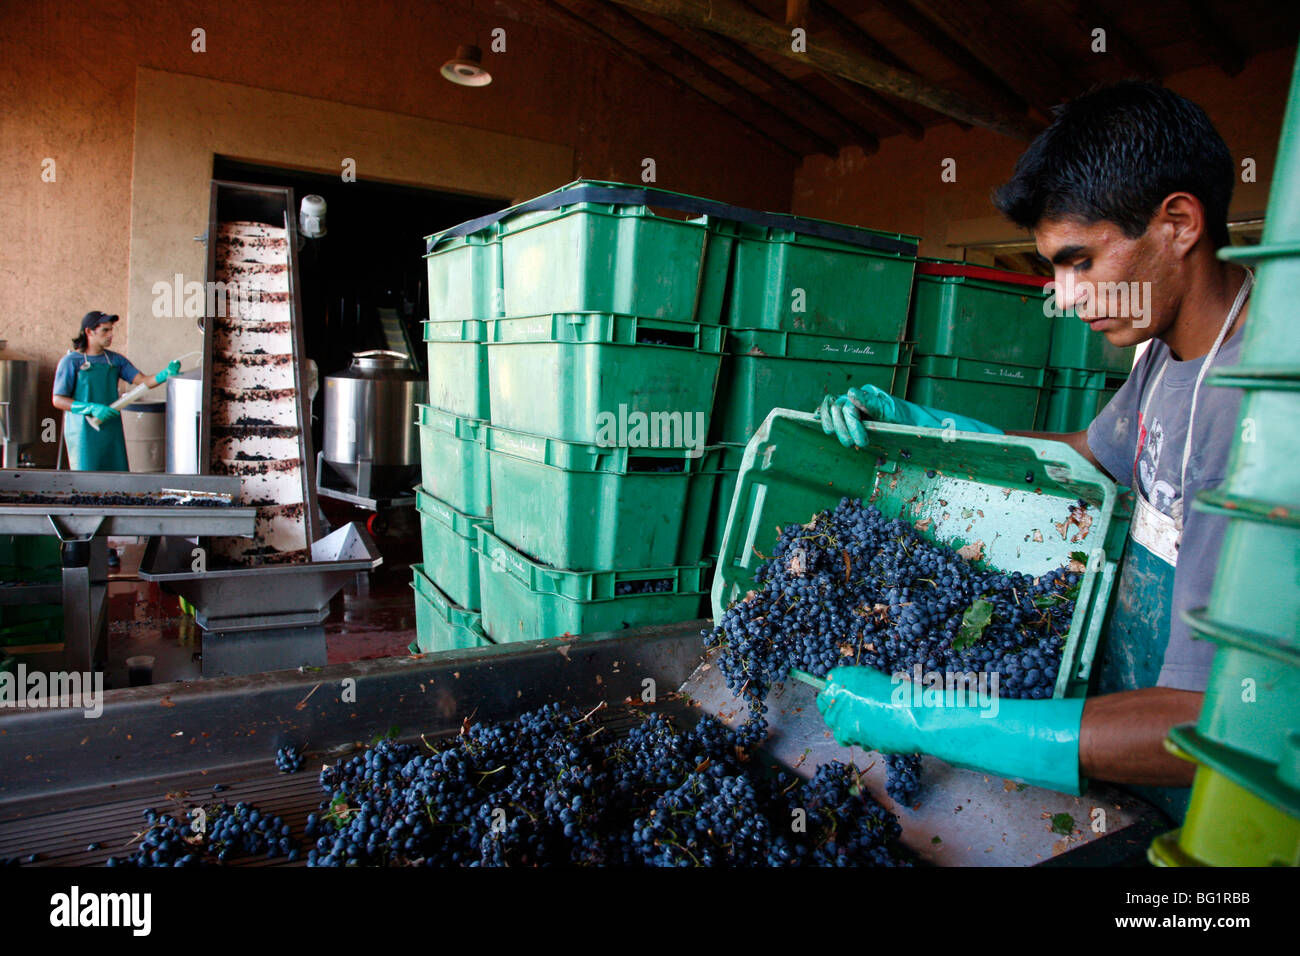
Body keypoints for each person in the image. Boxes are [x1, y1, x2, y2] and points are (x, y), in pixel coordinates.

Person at [815, 81, 1249, 820]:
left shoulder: (1255, 410)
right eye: (1053, 267)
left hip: (1223, 809)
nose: (1066, 296)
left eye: (1081, 261)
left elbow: (1203, 728)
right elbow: (1087, 456)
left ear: (1178, 222)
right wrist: (925, 429)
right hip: (1130, 760)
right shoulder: (1167, 356)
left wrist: (932, 718)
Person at [52, 311, 180, 564]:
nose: (111, 336)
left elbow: (141, 381)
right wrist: (89, 407)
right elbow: (58, 399)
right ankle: (82, 543)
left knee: (113, 484)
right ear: (89, 332)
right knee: (88, 485)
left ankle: (105, 544)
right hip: (84, 431)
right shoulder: (72, 362)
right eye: (105, 331)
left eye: (111, 330)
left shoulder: (115, 361)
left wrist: (165, 374)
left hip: (110, 429)